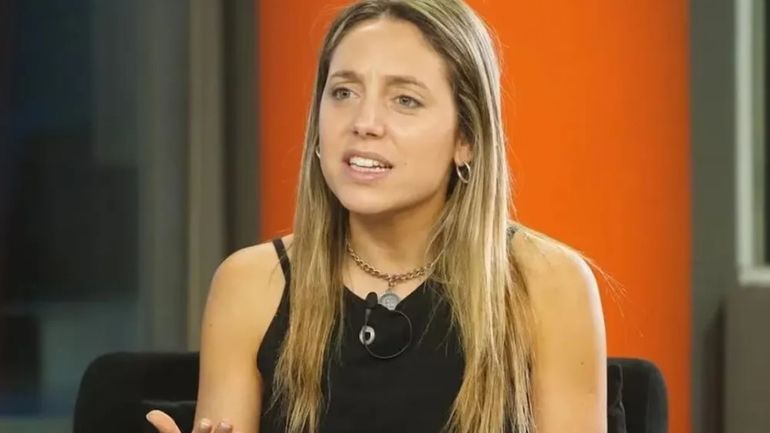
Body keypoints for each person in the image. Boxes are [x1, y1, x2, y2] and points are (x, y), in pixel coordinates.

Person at [147, 0, 606, 432]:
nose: (363, 123)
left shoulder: (548, 285)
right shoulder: (250, 285)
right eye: (343, 92)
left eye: (405, 100)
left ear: (466, 138)